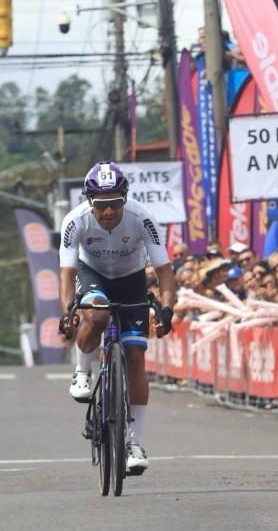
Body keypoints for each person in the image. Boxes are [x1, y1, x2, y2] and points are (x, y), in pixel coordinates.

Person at [58, 162, 176, 476]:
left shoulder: (142, 217)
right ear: (88, 202)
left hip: (131, 278)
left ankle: (134, 444)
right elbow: (67, 272)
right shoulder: (75, 221)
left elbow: (164, 270)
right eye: (101, 205)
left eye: (115, 203)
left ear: (125, 197)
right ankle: (81, 372)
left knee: (136, 356)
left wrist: (166, 309)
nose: (109, 211)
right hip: (91, 273)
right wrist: (67, 309)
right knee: (96, 315)